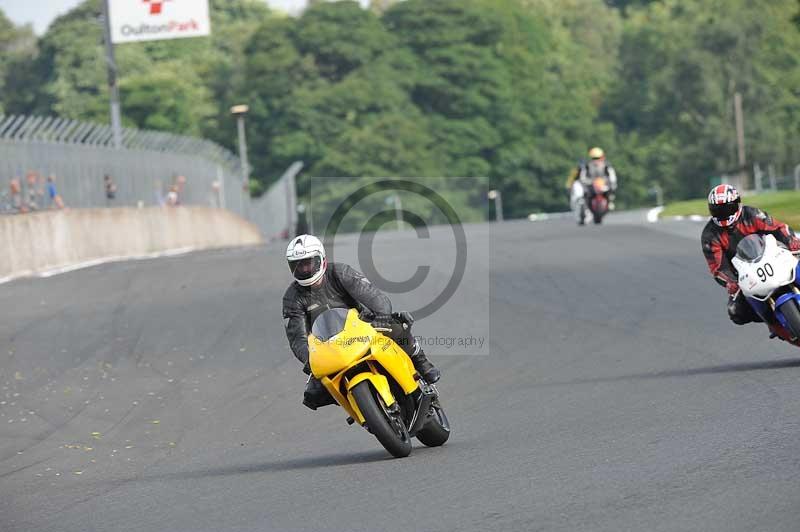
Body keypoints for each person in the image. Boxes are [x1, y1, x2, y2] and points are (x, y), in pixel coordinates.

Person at [282, 234, 441, 410]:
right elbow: (297, 337)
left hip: (361, 326)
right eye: (298, 265)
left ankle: (421, 362)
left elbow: (371, 294)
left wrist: (382, 313)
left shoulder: (340, 273)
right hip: (327, 345)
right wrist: (309, 359)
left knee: (397, 326)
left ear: (321, 260)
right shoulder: (292, 298)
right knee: (312, 394)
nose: (304, 269)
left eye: (308, 263)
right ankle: (358, 406)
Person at [701, 184, 800, 326]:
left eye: (728, 208)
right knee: (736, 312)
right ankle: (775, 326)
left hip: (774, 257)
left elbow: (778, 228)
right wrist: (731, 282)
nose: (724, 214)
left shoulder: (751, 214)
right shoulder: (710, 235)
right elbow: (717, 267)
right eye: (718, 211)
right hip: (745, 276)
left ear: (737, 204)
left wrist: (791, 240)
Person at [567, 147, 618, 221]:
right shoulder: (587, 166)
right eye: (594, 158)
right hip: (591, 185)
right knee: (585, 196)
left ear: (602, 157)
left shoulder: (607, 166)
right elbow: (582, 177)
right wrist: (587, 182)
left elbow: (612, 177)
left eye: (598, 158)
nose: (596, 161)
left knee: (609, 192)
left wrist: (611, 183)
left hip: (603, 185)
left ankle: (610, 202)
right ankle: (585, 211)